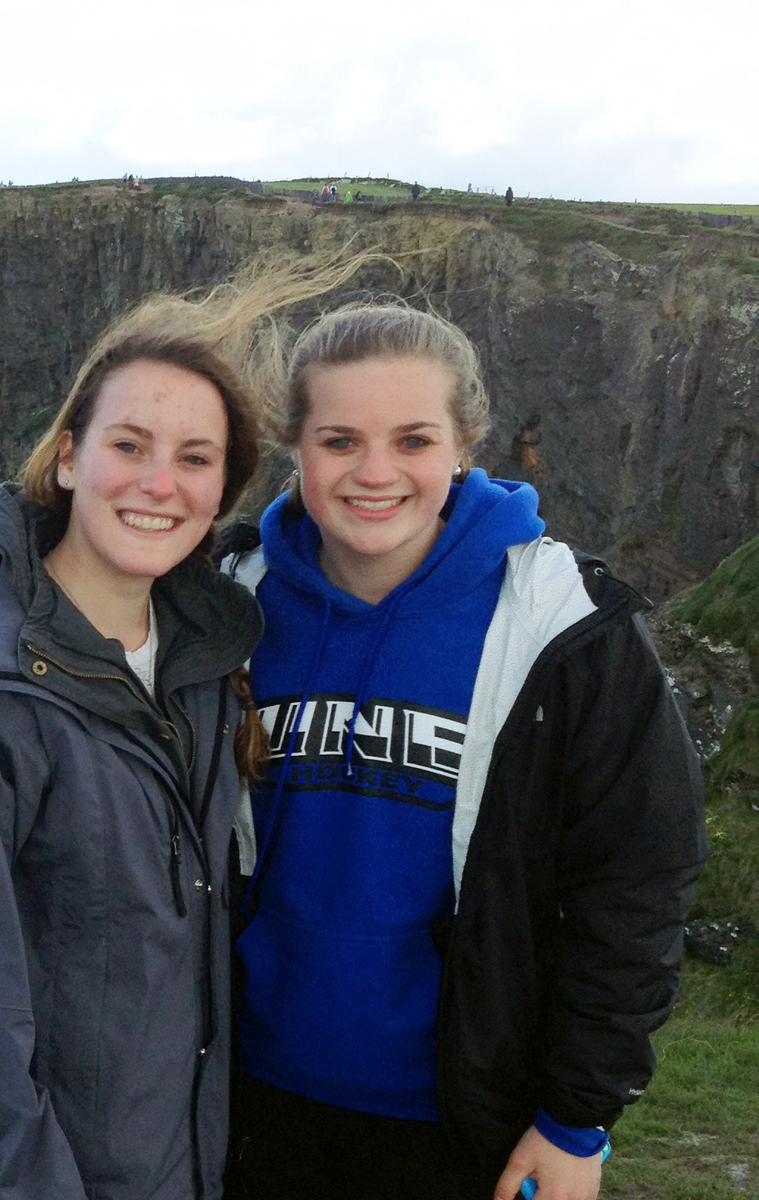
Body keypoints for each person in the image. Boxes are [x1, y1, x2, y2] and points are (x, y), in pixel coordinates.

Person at [0, 261, 362, 1200]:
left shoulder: (203, 671)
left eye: (195, 458)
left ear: (225, 492)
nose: (158, 484)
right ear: (66, 457)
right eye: (128, 445)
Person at [220, 304, 706, 1200]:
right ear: (296, 447)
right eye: (339, 440)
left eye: (412, 439)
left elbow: (636, 878)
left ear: (464, 445)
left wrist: (575, 1119)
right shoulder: (227, 606)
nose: (375, 473)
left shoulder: (565, 626)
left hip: (464, 1119)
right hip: (245, 1102)